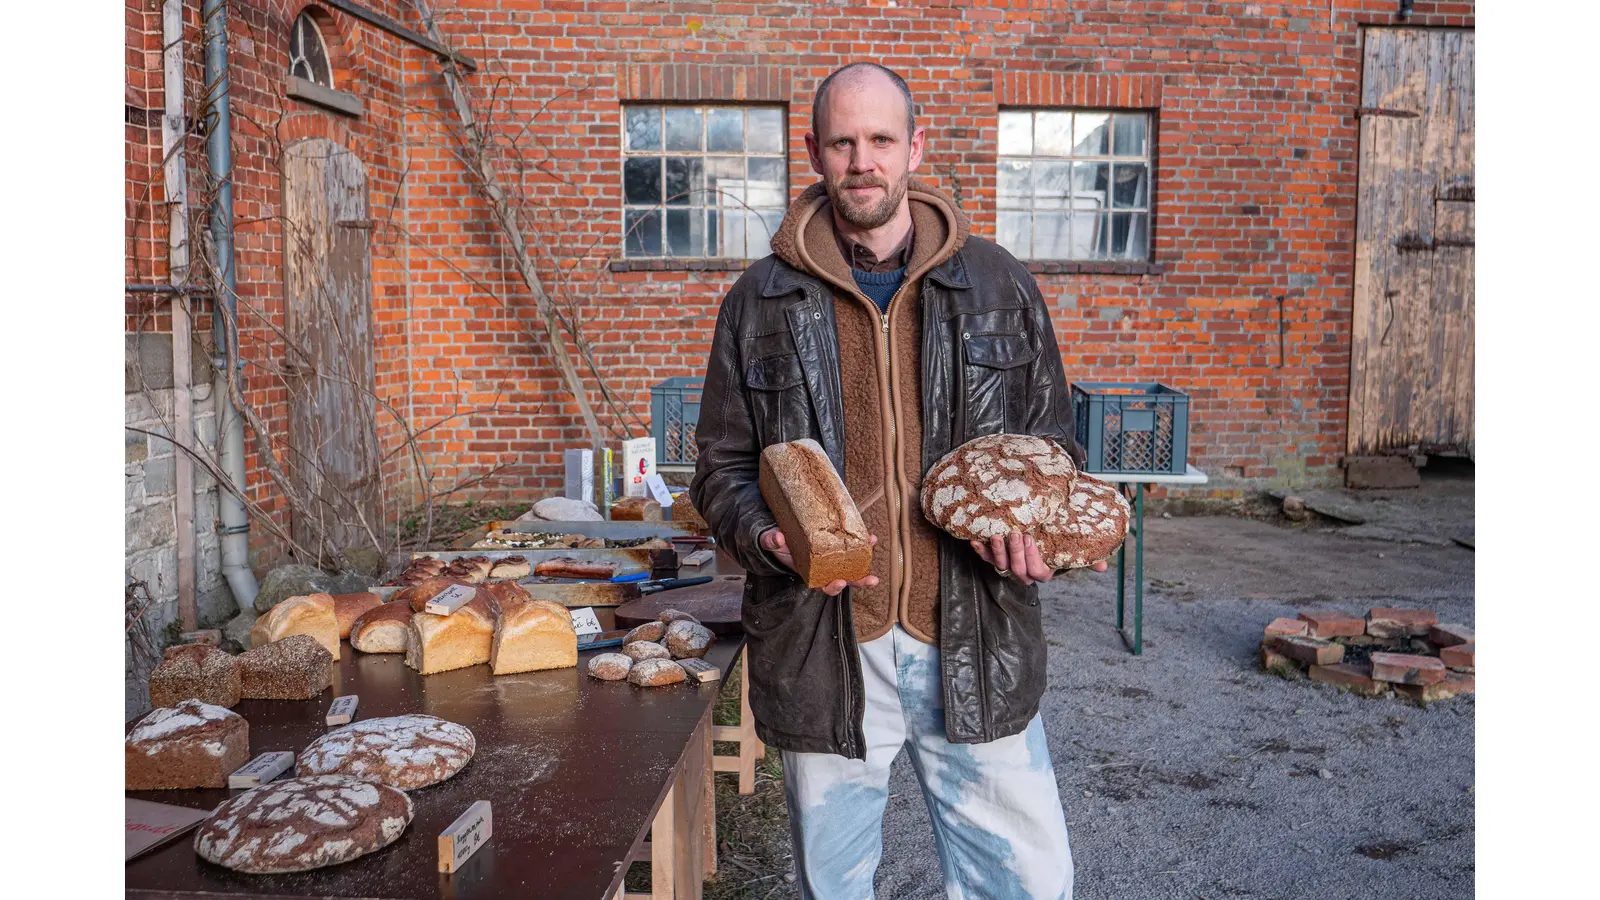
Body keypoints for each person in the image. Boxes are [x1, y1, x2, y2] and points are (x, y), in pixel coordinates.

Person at [689, 61, 1104, 900]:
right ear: (813, 151)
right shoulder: (759, 299)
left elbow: (1051, 452)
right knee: (833, 885)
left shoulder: (997, 283)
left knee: (1025, 884)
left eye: (881, 139)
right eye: (842, 142)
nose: (863, 160)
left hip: (973, 628)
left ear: (915, 146)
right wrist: (770, 538)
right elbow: (721, 468)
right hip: (824, 643)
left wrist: (1043, 543)